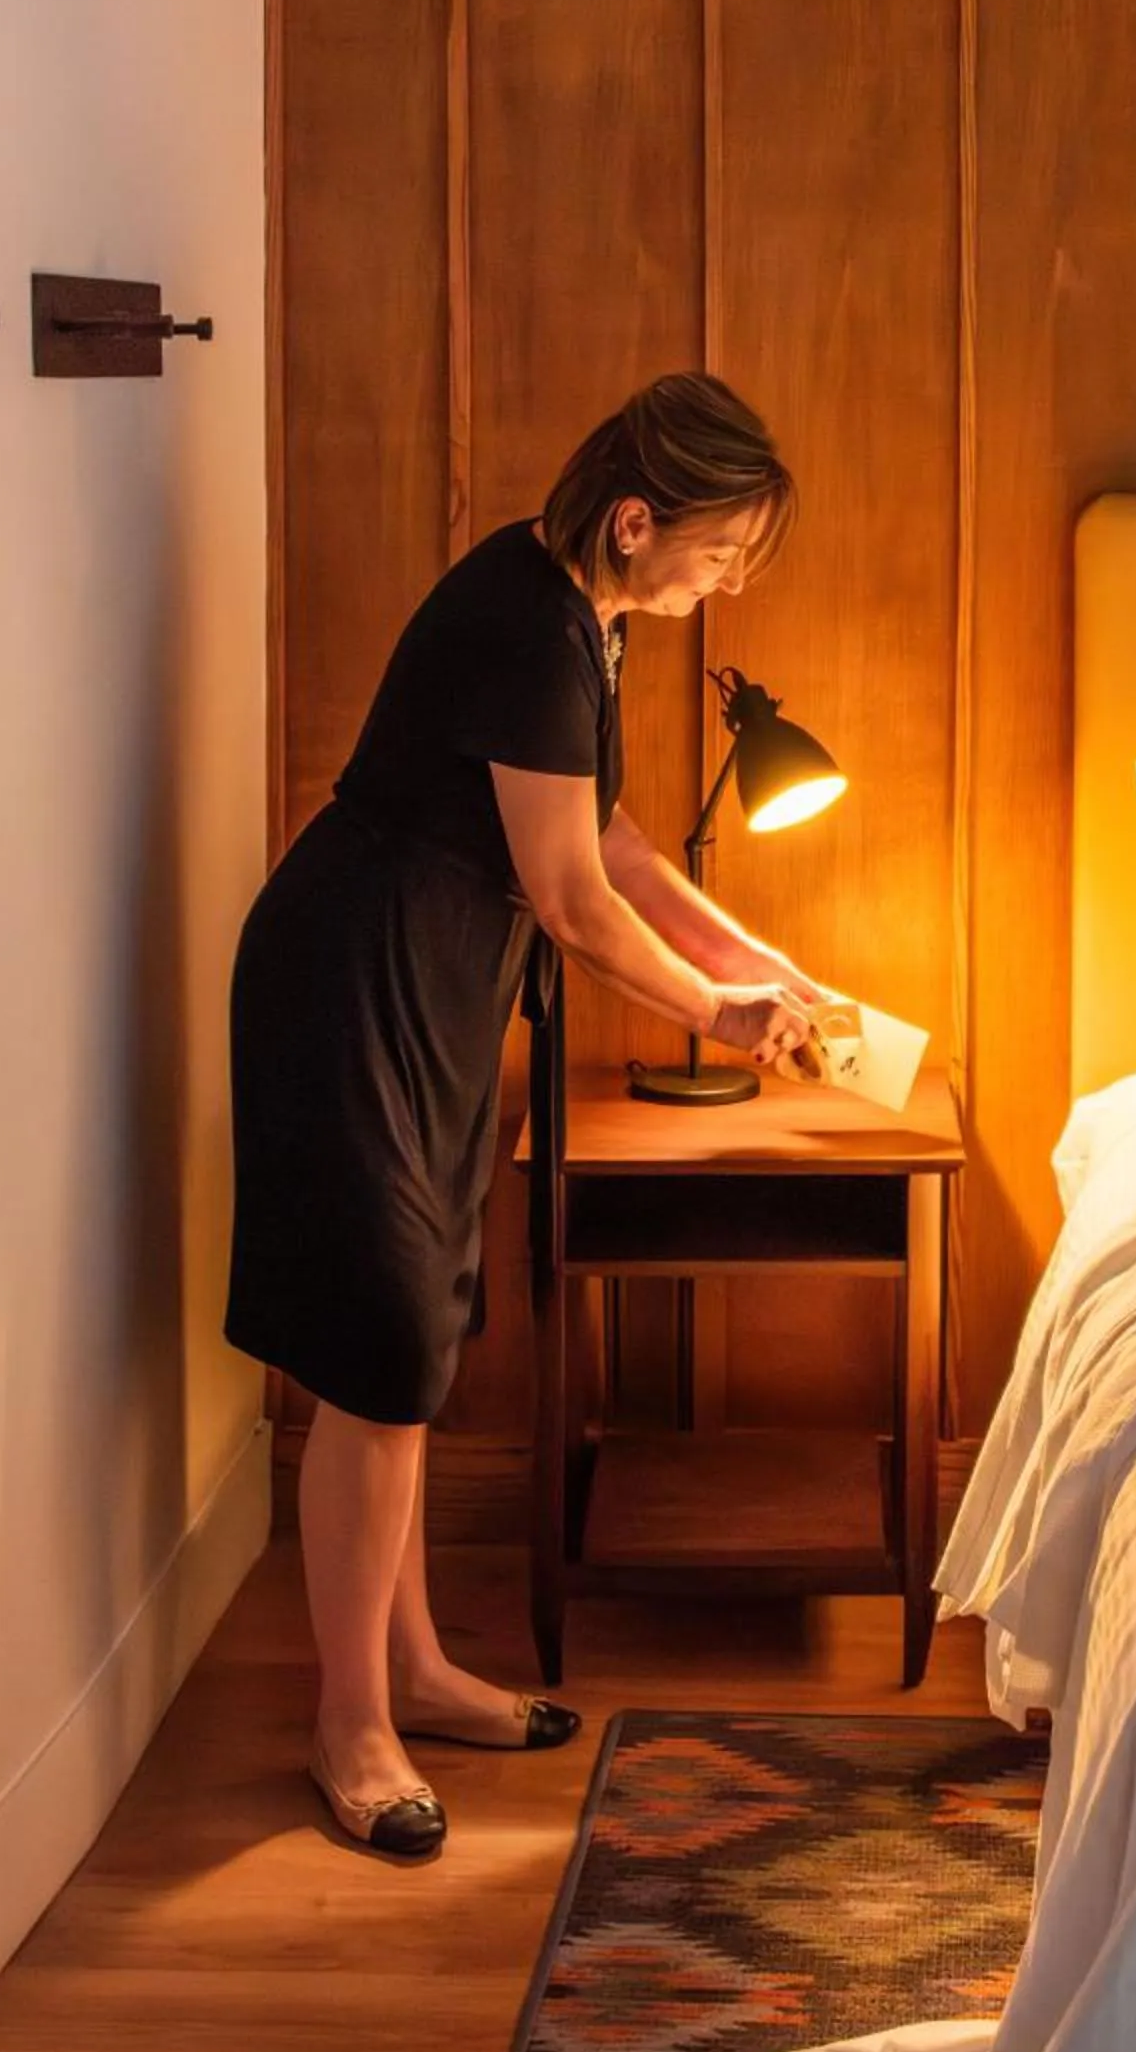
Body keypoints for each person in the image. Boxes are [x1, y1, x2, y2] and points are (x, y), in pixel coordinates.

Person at [223, 375, 822, 1857]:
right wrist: (714, 1014)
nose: (727, 581)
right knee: (374, 1352)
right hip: (354, 982)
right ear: (636, 521)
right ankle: (348, 1725)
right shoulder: (523, 620)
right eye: (720, 552)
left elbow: (601, 829)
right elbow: (569, 900)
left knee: (414, 1335)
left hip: (427, 978)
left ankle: (414, 1670)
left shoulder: (573, 611)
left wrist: (750, 953)